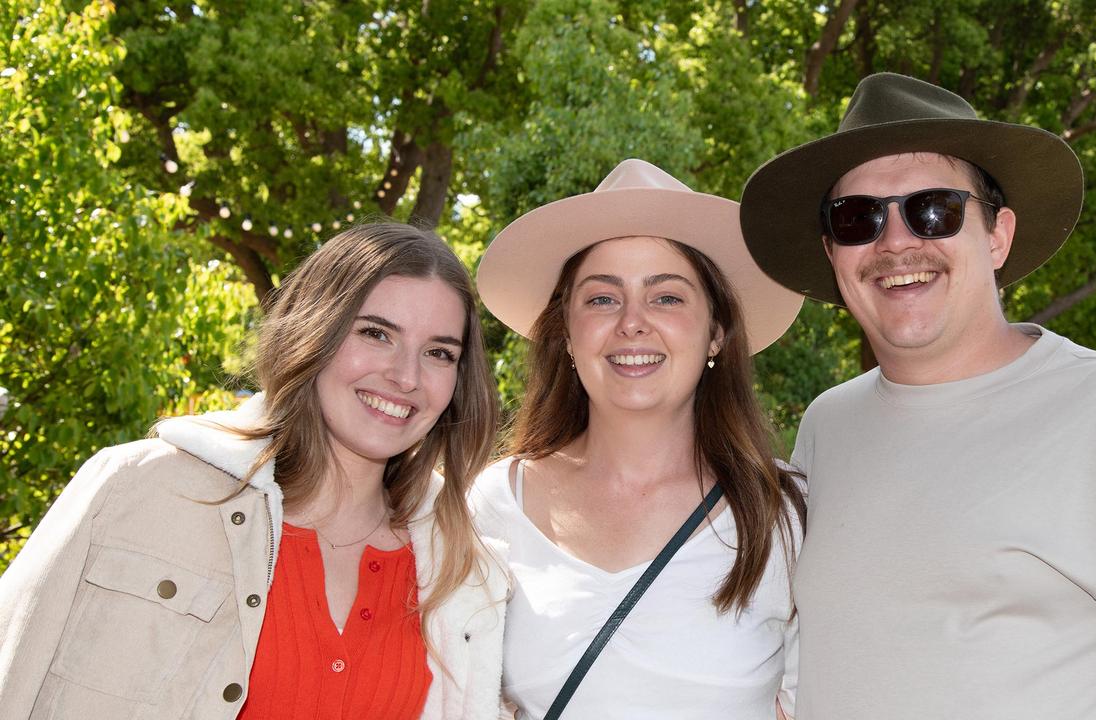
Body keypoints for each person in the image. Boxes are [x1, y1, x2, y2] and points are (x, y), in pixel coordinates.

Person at [739, 73, 1096, 718]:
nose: (894, 242)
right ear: (834, 252)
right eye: (858, 218)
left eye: (932, 208)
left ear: (997, 235)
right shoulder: (830, 425)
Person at [0, 223, 507, 719]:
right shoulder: (137, 489)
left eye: (440, 353)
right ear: (314, 332)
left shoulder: (463, 570)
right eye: (376, 334)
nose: (406, 376)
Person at [471, 158, 806, 720]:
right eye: (602, 298)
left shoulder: (784, 510)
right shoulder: (495, 503)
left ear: (716, 333)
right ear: (569, 337)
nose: (632, 322)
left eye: (667, 297)